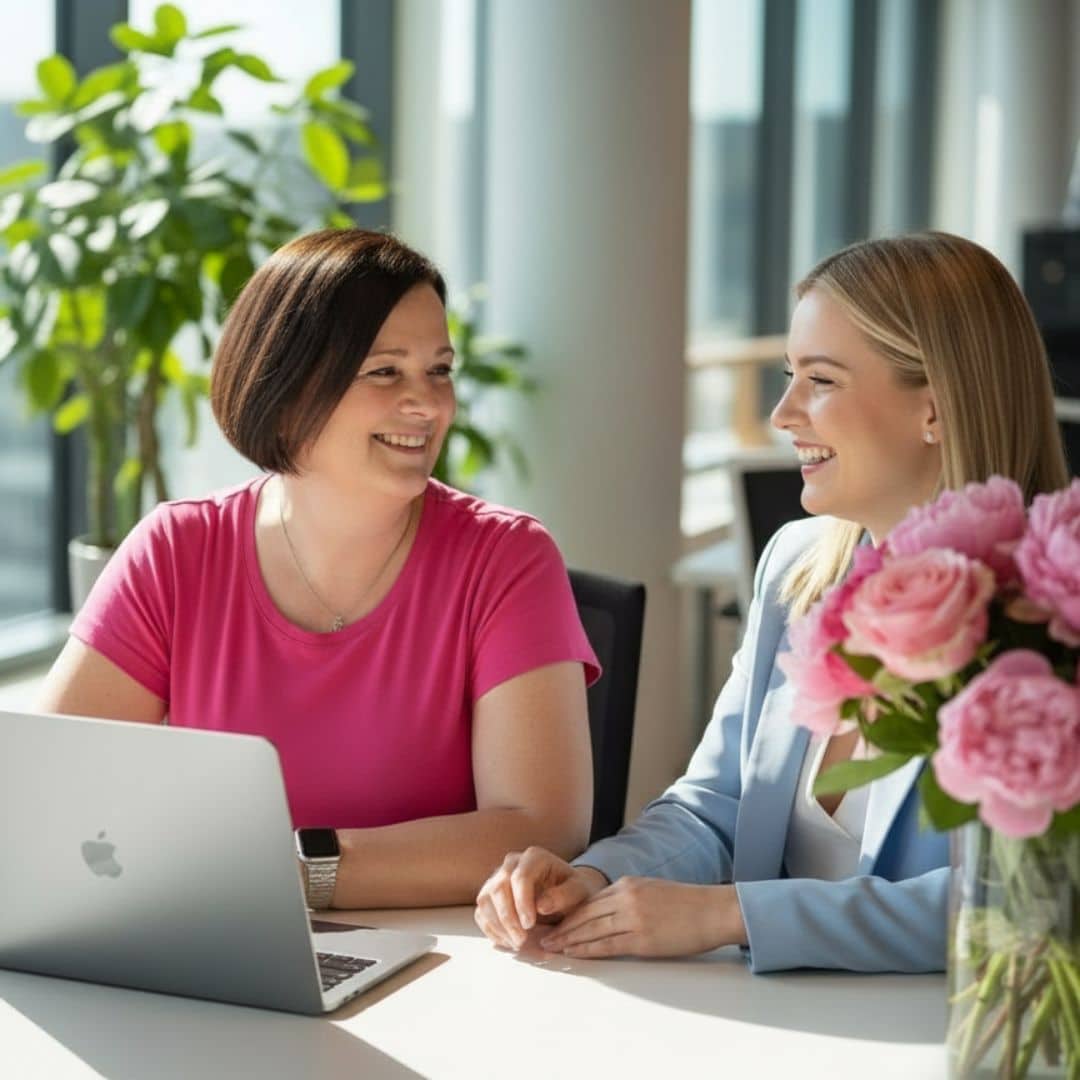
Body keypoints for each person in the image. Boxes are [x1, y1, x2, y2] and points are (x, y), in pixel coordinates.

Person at [474, 231, 1070, 973]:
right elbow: (715, 807)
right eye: (790, 375)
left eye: (820, 380)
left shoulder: (1051, 607)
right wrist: (598, 876)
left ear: (937, 411)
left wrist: (735, 915)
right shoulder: (797, 567)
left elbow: (1027, 902)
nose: (783, 413)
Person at [38, 228, 599, 910]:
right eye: (385, 371)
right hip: (206, 944)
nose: (427, 403)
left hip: (439, 967)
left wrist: (293, 875)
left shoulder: (507, 559)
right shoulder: (177, 550)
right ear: (290, 384)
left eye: (440, 369)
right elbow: (51, 789)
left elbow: (541, 826)